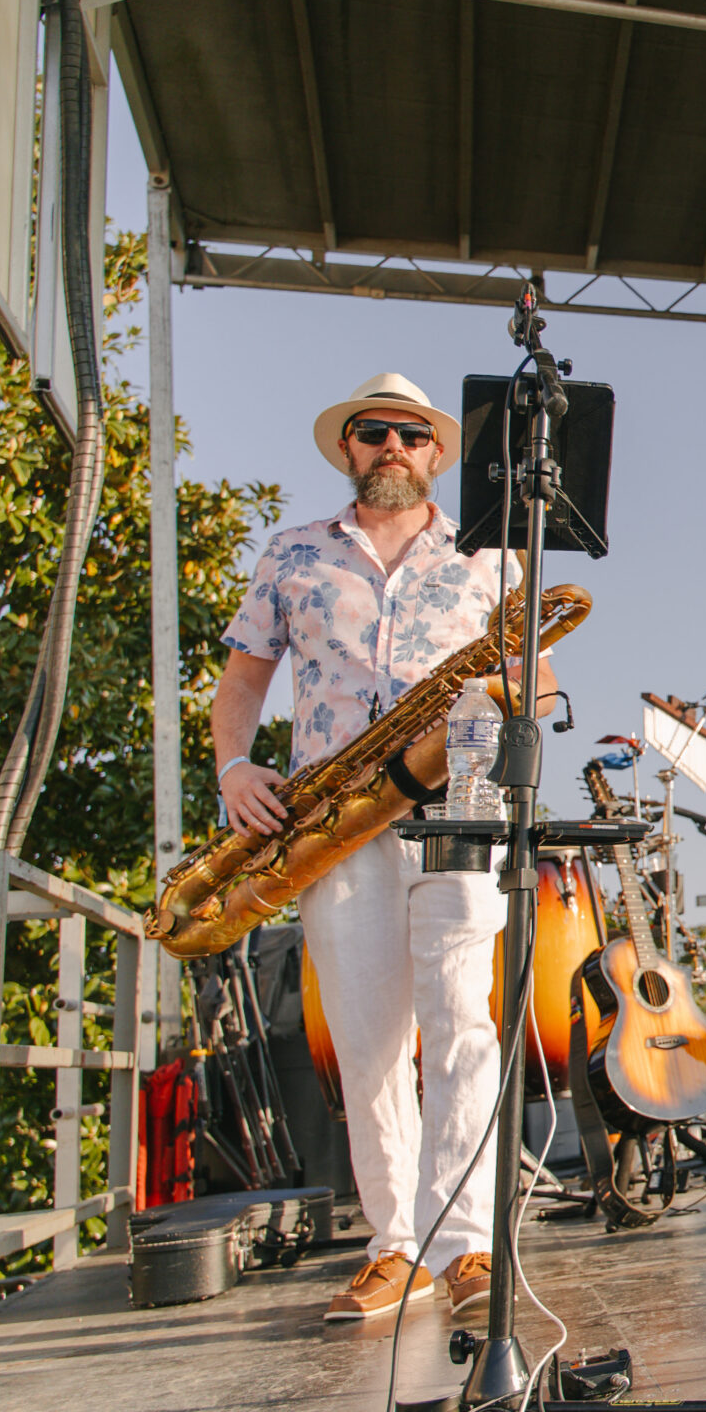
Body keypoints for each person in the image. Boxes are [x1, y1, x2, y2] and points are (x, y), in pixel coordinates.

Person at [212, 373, 555, 1322]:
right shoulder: (292, 552)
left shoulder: (490, 556)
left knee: (463, 1029)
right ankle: (396, 1245)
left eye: (411, 433)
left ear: (436, 452)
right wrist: (234, 767)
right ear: (348, 448)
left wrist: (501, 705)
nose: (392, 445)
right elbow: (242, 681)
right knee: (368, 1047)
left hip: (459, 814)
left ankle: (466, 1243)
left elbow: (539, 680)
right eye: (374, 431)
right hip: (334, 824)